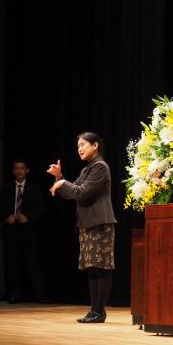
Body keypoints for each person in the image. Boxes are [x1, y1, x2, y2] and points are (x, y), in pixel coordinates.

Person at [47, 132, 117, 324]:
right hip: (88, 224)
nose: (79, 148)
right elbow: (72, 192)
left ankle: (99, 311)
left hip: (100, 223)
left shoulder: (100, 167)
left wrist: (62, 182)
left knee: (101, 268)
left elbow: (82, 192)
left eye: (83, 144)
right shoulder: (88, 169)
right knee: (91, 268)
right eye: (78, 145)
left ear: (95, 145)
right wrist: (60, 177)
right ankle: (93, 310)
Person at [0, 158, 49, 303]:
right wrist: (6, 218)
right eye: (16, 168)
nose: (19, 171)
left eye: (22, 168)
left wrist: (29, 217)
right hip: (11, 231)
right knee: (13, 264)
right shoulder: (6, 187)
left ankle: (41, 295)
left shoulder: (34, 187)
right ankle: (14, 294)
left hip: (29, 231)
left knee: (33, 264)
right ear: (13, 171)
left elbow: (41, 208)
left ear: (27, 171)